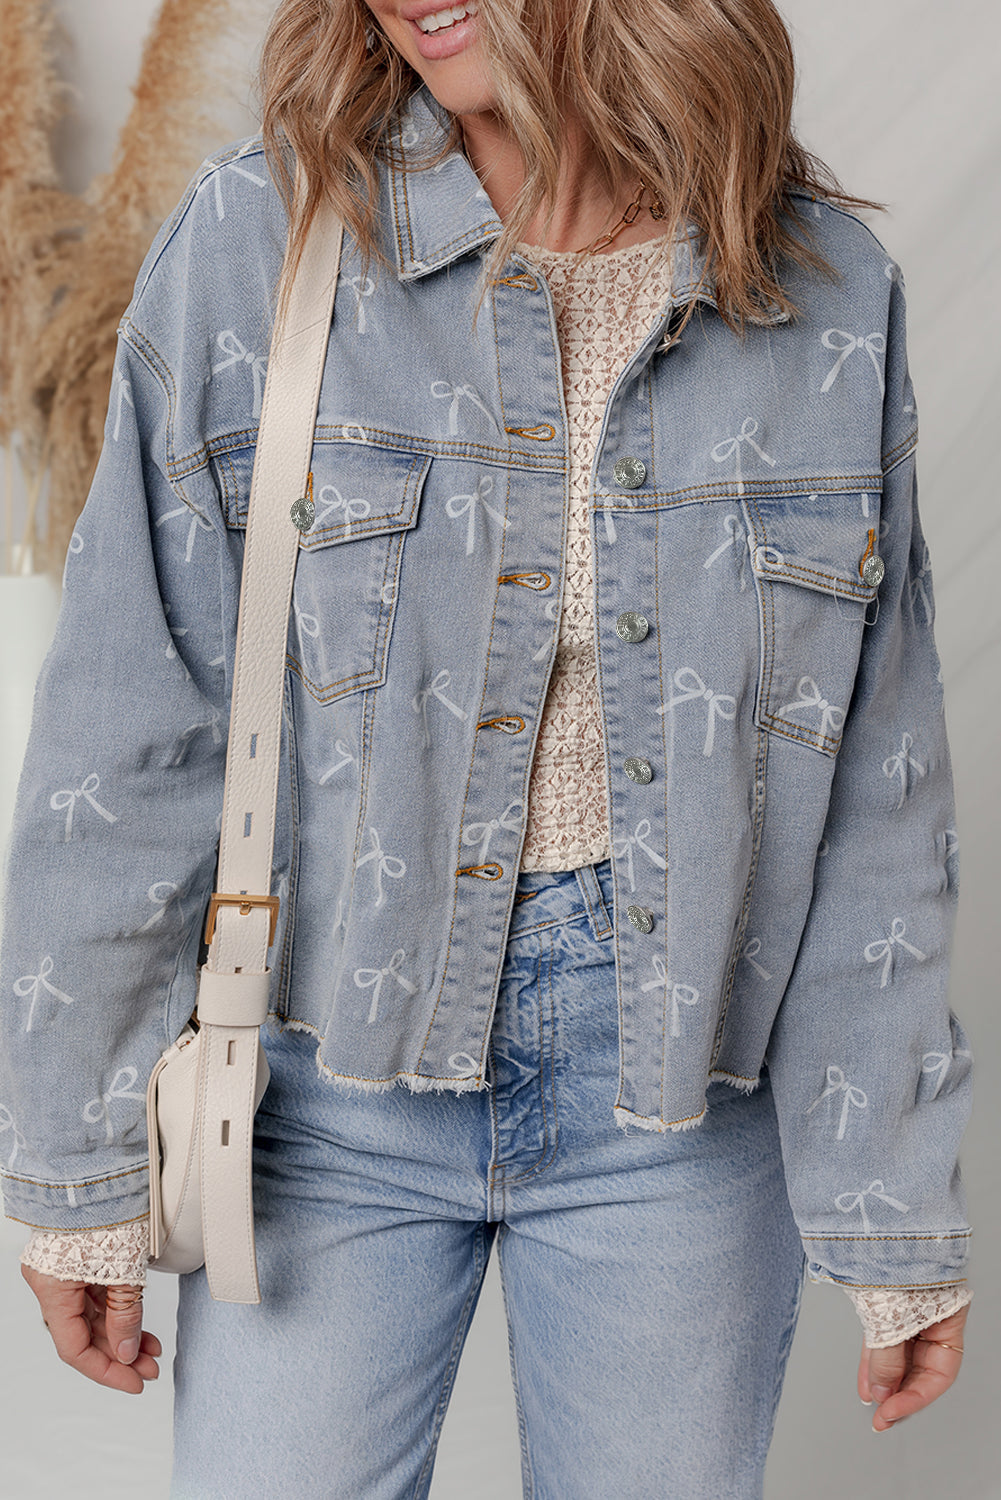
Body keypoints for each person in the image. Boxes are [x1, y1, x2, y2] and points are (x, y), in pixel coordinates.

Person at [1, 0, 974, 1494]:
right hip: (319, 1083)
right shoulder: (260, 240)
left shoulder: (823, 292)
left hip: (685, 1104)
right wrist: (78, 1168)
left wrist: (892, 1202)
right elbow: (131, 716)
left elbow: (875, 787)